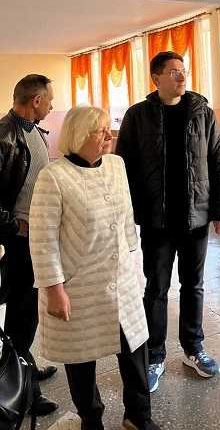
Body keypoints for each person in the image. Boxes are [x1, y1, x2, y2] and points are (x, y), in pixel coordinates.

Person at [29, 106, 161, 430]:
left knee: (135, 350)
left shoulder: (116, 165)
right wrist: (54, 291)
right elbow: (42, 240)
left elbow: (127, 222)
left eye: (107, 128)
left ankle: (138, 416)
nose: (108, 135)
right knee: (81, 360)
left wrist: (135, 266)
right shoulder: (54, 176)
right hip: (79, 287)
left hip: (122, 281)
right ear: (78, 136)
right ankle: (91, 420)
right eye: (99, 131)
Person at [116, 51, 220, 393]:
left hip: (196, 217)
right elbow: (123, 167)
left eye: (184, 71)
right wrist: (126, 215)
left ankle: (194, 349)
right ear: (156, 78)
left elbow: (218, 161)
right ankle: (154, 355)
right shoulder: (138, 116)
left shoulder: (202, 112)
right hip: (157, 220)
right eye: (174, 72)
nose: (182, 76)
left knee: (194, 285)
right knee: (156, 289)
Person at [0, 74, 58, 417]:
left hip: (37, 235)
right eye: (49, 99)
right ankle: (25, 393)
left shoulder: (34, 131)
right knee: (22, 317)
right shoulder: (4, 136)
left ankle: (24, 367)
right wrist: (14, 225)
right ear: (36, 100)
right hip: (21, 240)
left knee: (28, 312)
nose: (52, 104)